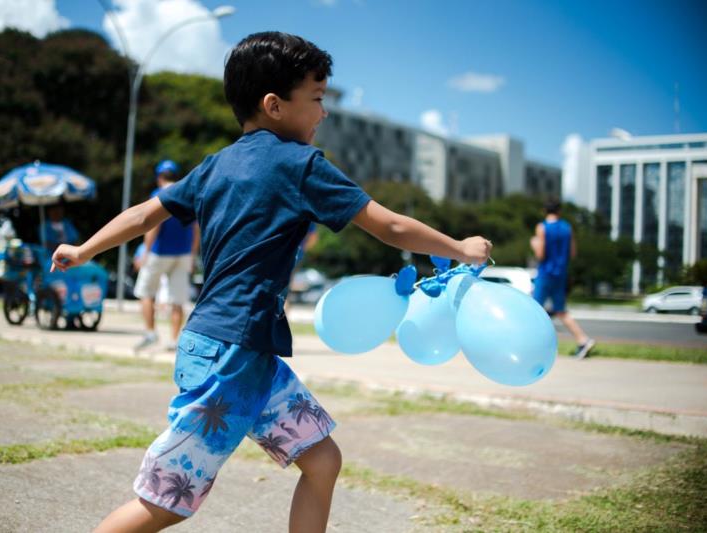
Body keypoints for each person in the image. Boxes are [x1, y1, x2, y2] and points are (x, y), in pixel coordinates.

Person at [51, 31, 491, 533]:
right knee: (168, 498)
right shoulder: (300, 165)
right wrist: (460, 248)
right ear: (275, 105)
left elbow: (142, 215)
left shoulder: (215, 165)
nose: (324, 112)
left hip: (242, 350)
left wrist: (84, 248)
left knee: (322, 461)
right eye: (318, 99)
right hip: (232, 355)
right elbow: (387, 225)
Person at [133, 160, 200, 352]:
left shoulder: (158, 195)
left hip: (159, 252)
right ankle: (173, 340)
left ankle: (150, 333)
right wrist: (193, 254)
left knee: (146, 292)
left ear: (159, 178)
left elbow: (153, 225)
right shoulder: (188, 195)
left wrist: (144, 252)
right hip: (183, 254)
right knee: (177, 299)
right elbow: (196, 229)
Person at [530, 197, 595, 359]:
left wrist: (534, 244)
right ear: (559, 211)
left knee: (533, 310)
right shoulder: (567, 228)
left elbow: (540, 254)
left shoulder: (542, 227)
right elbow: (572, 253)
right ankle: (583, 340)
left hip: (545, 273)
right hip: (561, 274)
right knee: (561, 311)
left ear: (544, 211)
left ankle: (535, 347)